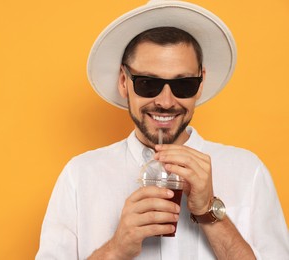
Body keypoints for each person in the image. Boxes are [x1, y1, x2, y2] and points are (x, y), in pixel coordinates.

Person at [36, 1, 289, 259]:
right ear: (124, 82)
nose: (166, 102)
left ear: (200, 84)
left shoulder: (248, 172)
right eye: (148, 83)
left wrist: (210, 212)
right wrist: (117, 248)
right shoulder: (80, 176)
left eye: (183, 84)